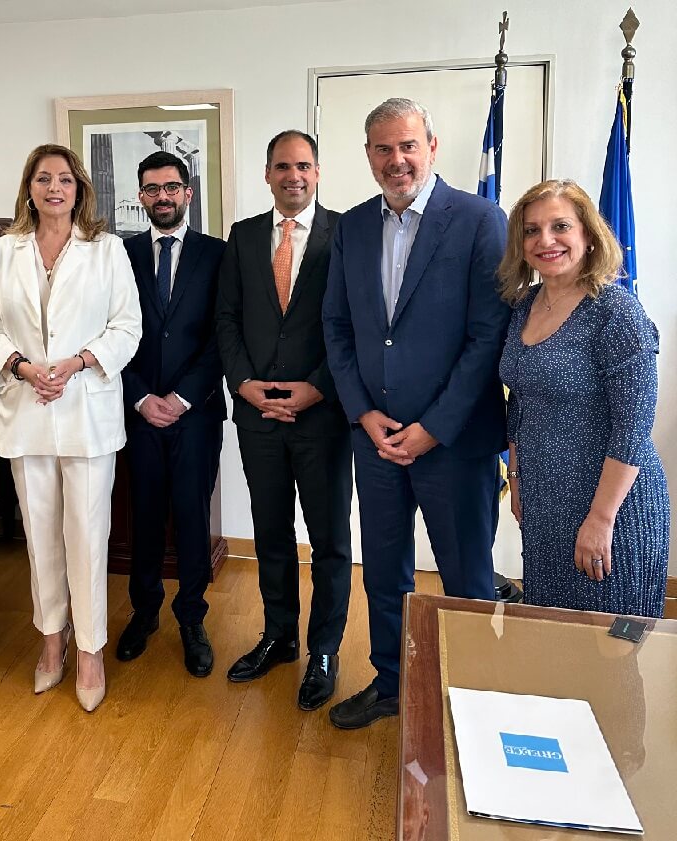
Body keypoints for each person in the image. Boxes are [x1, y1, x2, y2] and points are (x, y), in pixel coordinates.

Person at [322, 98, 509, 729]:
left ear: (431, 146)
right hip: (376, 440)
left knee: (466, 576)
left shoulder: (480, 220)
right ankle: (392, 682)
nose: (396, 160)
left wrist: (433, 428)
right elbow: (337, 327)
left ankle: (472, 700)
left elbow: (488, 336)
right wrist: (362, 412)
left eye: (407, 146)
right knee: (383, 571)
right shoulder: (351, 227)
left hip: (453, 441)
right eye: (383, 149)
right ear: (368, 155)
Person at [0, 144, 141, 712]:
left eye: (64, 179)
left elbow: (127, 327)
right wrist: (24, 368)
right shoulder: (4, 250)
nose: (54, 188)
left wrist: (76, 364)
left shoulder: (106, 248)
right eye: (43, 179)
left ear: (79, 189)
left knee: (87, 536)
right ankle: (52, 638)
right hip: (27, 409)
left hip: (86, 409)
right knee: (40, 535)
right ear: (29, 187)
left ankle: (90, 648)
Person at [216, 130, 353, 712]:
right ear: (267, 174)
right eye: (282, 166)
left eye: (303, 165)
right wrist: (244, 384)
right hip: (258, 418)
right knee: (270, 534)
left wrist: (317, 388)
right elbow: (226, 319)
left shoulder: (346, 233)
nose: (293, 175)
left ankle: (324, 650)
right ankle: (279, 637)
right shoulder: (244, 236)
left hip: (322, 417)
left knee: (329, 541)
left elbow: (354, 322)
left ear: (317, 172)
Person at [498, 179, 669, 617]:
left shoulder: (616, 312)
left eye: (560, 226)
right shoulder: (525, 305)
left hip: (611, 508)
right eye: (532, 230)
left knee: (608, 643)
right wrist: (516, 479)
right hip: (545, 503)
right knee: (551, 633)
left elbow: (633, 427)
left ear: (588, 235)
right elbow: (520, 402)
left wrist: (601, 519)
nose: (545, 240)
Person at [117, 151, 226, 677]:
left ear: (188, 192)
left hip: (196, 412)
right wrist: (141, 397)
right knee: (142, 517)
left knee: (190, 516)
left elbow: (224, 335)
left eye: (171, 187)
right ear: (141, 196)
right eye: (152, 188)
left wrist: (181, 397)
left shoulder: (218, 254)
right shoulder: (120, 254)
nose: (162, 196)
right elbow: (107, 332)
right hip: (136, 410)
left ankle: (192, 618)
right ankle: (144, 613)